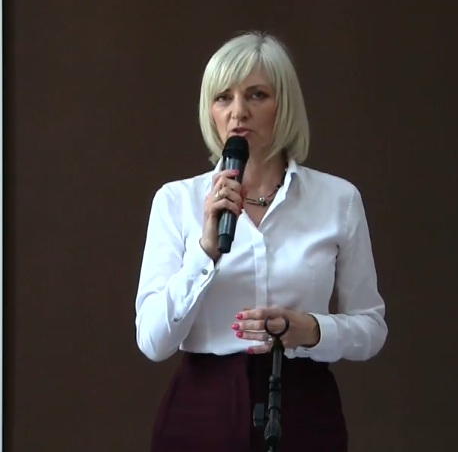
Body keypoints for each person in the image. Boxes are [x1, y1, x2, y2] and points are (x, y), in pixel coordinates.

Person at [135, 31, 388, 452]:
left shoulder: (337, 199)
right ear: (210, 111)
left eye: (256, 95)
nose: (239, 112)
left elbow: (371, 328)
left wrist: (313, 330)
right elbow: (152, 341)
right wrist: (205, 251)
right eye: (223, 98)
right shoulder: (176, 201)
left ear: (284, 105)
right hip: (202, 410)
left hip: (304, 405)